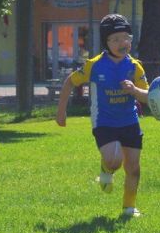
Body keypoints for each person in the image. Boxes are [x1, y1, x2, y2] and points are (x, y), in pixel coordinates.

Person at [55, 14, 149, 218]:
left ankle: (129, 208)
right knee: (114, 160)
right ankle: (106, 169)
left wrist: (134, 91)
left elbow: (146, 95)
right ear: (106, 43)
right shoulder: (94, 65)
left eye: (125, 38)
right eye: (115, 39)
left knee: (133, 167)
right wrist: (61, 111)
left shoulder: (135, 66)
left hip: (129, 120)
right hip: (104, 121)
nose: (122, 43)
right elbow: (70, 82)